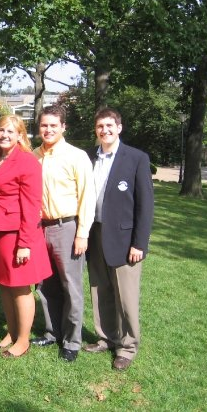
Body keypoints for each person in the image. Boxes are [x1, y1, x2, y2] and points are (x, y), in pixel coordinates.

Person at [84, 107, 154, 371]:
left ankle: (127, 346)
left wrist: (140, 243)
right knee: (100, 289)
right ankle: (106, 338)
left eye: (109, 126)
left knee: (126, 295)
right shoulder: (89, 157)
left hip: (125, 239)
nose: (105, 130)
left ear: (119, 128)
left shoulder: (136, 158)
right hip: (95, 233)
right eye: (100, 126)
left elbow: (145, 206)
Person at [0, 115, 52, 358]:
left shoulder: (27, 162)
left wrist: (25, 244)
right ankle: (11, 333)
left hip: (16, 235)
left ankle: (23, 340)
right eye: (1, 130)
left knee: (21, 288)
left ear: (21, 135)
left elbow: (32, 206)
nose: (4, 135)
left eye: (11, 131)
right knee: (5, 286)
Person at [30, 104, 95, 362]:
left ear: (63, 127)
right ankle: (52, 331)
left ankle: (72, 341)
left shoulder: (76, 156)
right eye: (44, 125)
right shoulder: (34, 155)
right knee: (45, 285)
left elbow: (87, 197)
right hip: (39, 228)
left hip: (67, 227)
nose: (48, 130)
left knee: (71, 286)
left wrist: (83, 233)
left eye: (53, 125)